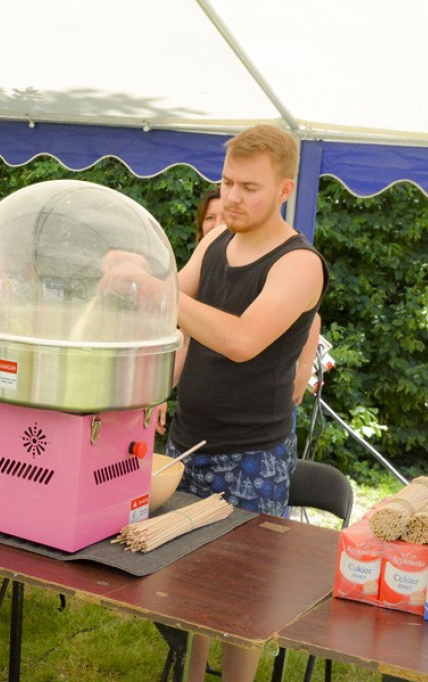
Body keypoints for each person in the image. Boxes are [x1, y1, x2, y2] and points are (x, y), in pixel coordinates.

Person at [104, 124, 328, 681]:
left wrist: (158, 289)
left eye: (249, 187)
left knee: (241, 599)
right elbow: (175, 312)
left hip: (251, 454)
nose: (231, 197)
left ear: (284, 189)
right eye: (226, 182)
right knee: (183, 580)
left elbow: (242, 339)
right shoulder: (217, 240)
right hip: (189, 439)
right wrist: (138, 285)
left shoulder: (299, 264)